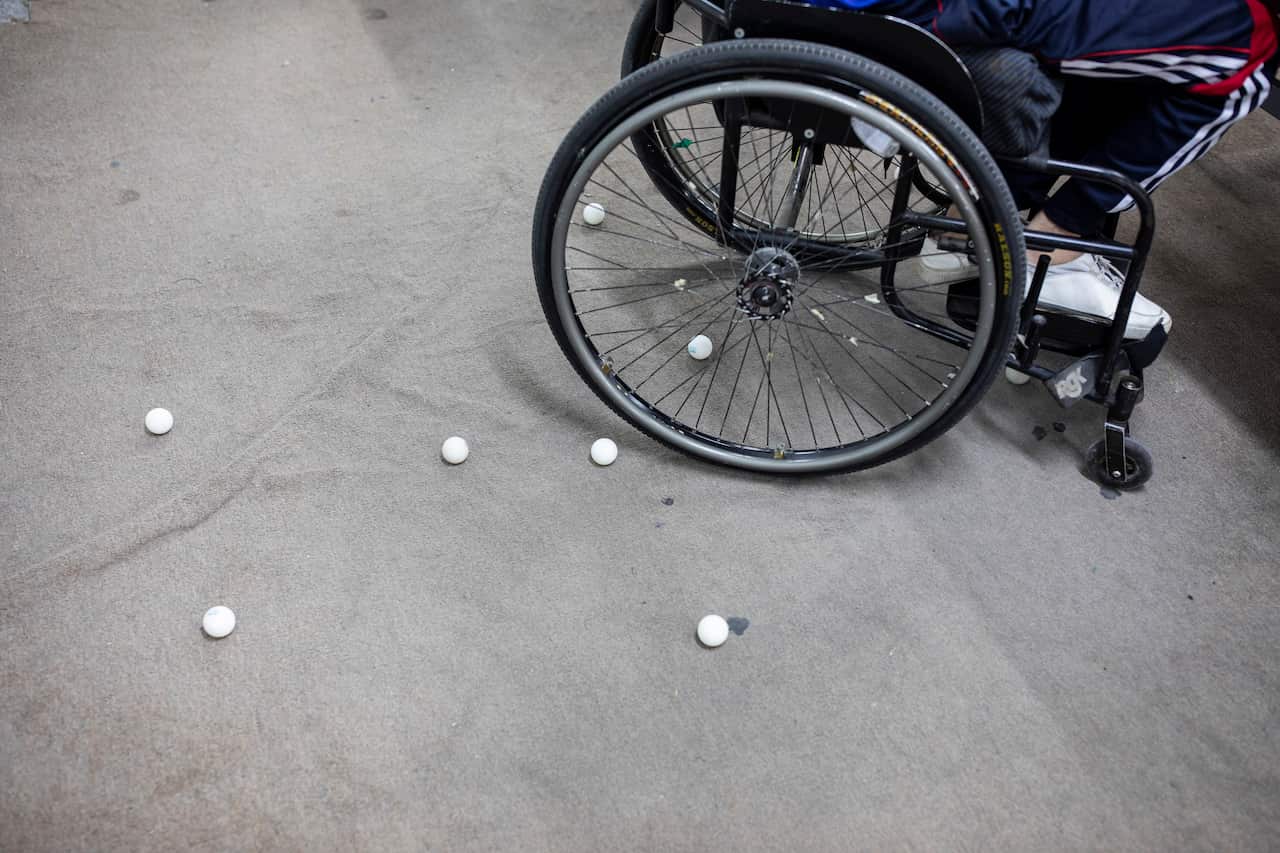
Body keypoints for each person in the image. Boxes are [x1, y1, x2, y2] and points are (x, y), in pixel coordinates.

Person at [822, 0, 1279, 340]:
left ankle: (981, 226)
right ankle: (1049, 246)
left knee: (1146, 53)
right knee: (1243, 63)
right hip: (920, 20)